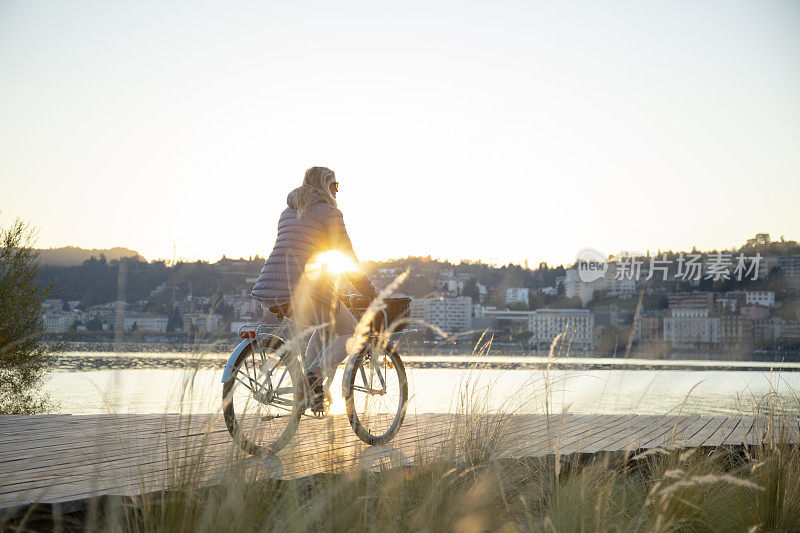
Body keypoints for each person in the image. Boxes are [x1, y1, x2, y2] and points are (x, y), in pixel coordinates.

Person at [250, 166, 378, 413]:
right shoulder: (330, 212)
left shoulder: (288, 212)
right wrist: (369, 291)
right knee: (353, 333)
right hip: (306, 290)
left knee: (325, 328)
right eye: (335, 186)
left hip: (273, 290)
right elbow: (347, 256)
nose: (336, 192)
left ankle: (308, 386)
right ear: (326, 186)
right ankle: (314, 377)